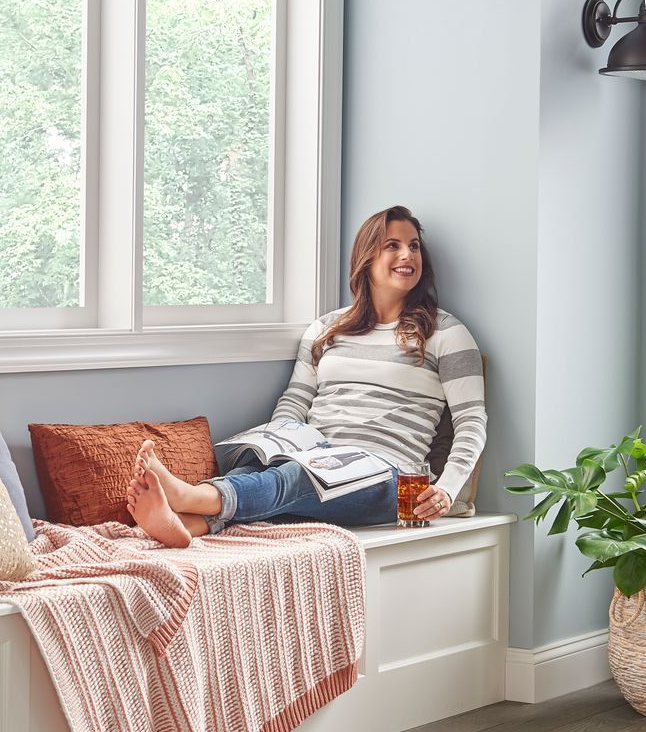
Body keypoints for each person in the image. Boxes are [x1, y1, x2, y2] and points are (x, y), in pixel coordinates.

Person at [124, 205, 487, 548]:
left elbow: (471, 422)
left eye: (414, 246)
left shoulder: (445, 334)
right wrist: (281, 444)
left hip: (384, 472)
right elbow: (296, 401)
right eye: (393, 245)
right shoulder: (327, 328)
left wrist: (448, 489)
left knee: (295, 479)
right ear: (367, 257)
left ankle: (188, 494)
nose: (407, 255)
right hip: (313, 453)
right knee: (263, 468)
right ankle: (185, 526)